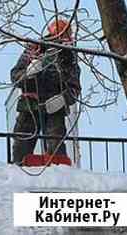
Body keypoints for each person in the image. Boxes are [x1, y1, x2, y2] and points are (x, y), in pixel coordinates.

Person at [10, 19, 81, 165]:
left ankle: (59, 173)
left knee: (56, 148)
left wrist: (63, 99)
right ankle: (19, 170)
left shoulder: (69, 58)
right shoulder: (34, 50)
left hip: (54, 108)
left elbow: (74, 88)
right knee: (22, 146)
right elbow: (15, 76)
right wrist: (28, 72)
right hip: (30, 105)